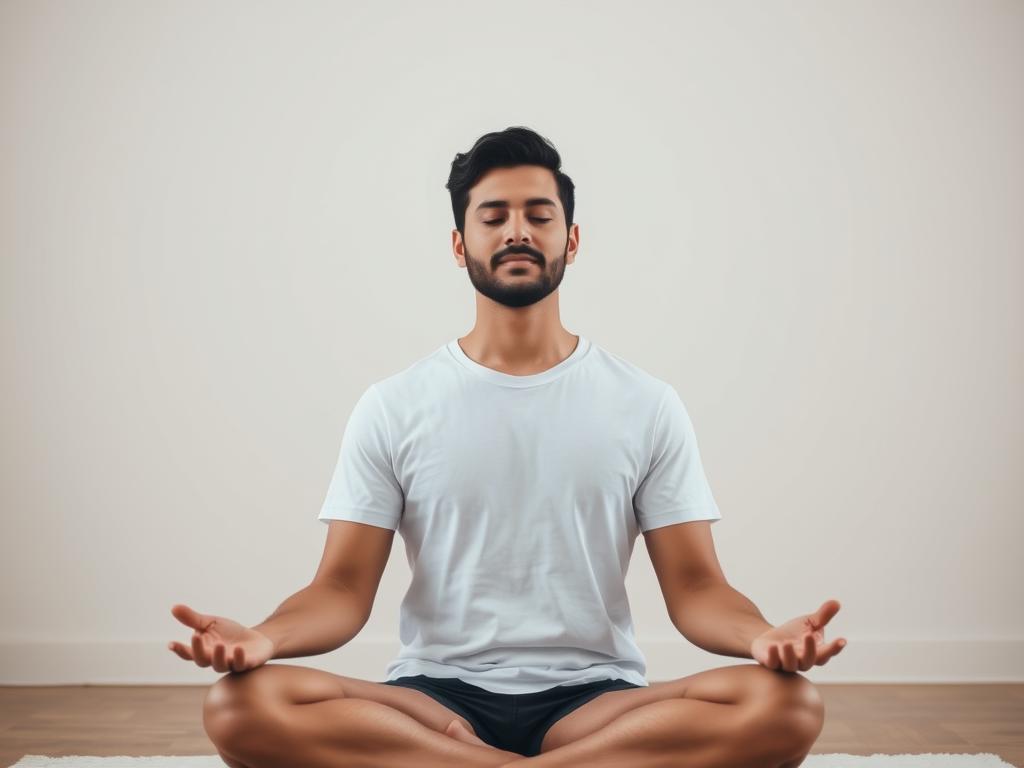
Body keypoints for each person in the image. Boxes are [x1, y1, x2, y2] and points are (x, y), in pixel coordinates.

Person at [169, 126, 846, 768]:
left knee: (786, 705)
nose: (517, 231)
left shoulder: (645, 403)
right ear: (459, 244)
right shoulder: (394, 405)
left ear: (571, 240)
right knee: (239, 705)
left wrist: (762, 637)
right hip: (434, 699)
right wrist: (264, 638)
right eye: (493, 217)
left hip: (595, 700)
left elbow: (697, 588)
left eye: (538, 215)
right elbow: (340, 589)